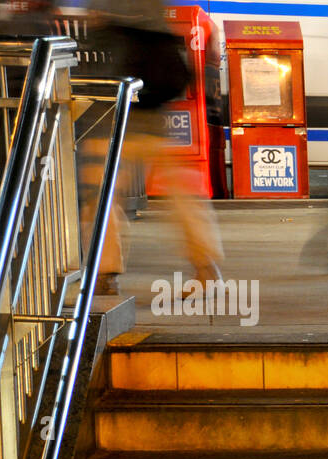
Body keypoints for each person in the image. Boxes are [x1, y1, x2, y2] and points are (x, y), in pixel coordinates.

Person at [82, 0, 224, 296]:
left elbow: (103, 34)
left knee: (102, 190)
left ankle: (105, 272)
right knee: (179, 189)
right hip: (151, 98)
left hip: (117, 101)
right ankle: (206, 266)